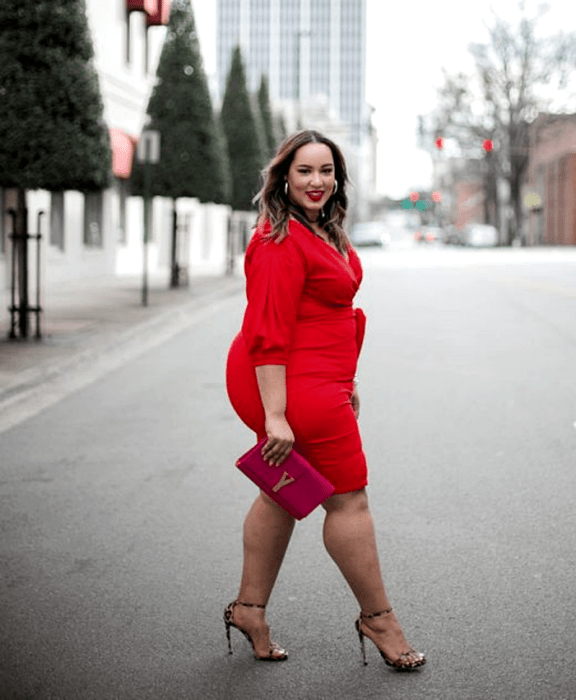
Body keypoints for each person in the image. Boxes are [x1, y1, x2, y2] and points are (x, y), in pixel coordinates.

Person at [224, 130, 425, 670]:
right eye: (304, 171)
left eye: (326, 171)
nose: (317, 182)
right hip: (291, 384)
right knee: (348, 499)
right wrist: (274, 415)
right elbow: (267, 331)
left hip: (321, 379)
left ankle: (249, 609)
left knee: (283, 494)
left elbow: (326, 315)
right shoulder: (278, 240)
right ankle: (378, 618)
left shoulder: (322, 230)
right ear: (283, 178)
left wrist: (347, 378)